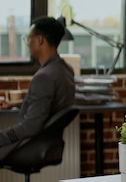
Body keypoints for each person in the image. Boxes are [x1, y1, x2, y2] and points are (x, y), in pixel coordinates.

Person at [0, 17, 75, 161]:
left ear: (40, 40)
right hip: (48, 143)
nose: (28, 43)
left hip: (29, 145)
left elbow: (30, 126)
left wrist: (2, 137)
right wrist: (15, 104)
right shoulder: (66, 70)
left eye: (29, 38)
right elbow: (48, 104)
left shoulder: (43, 77)